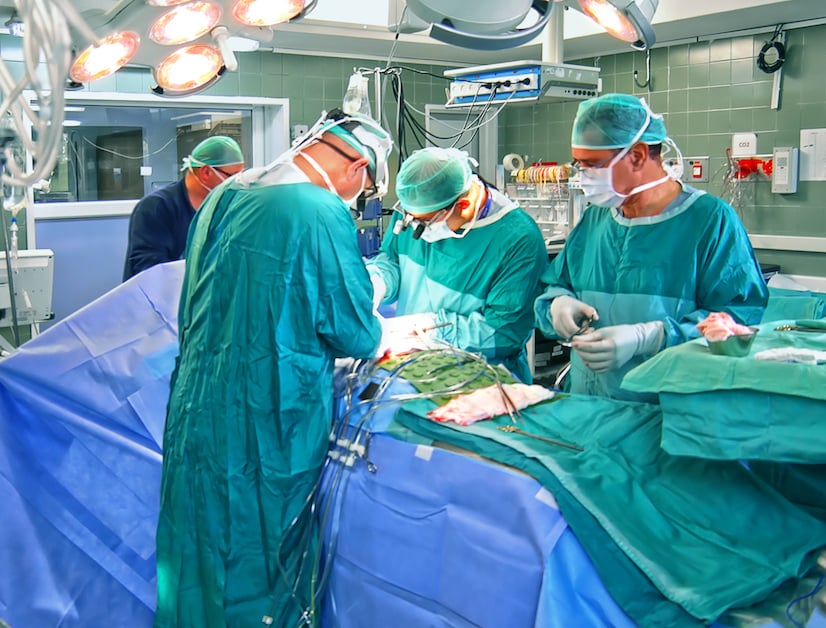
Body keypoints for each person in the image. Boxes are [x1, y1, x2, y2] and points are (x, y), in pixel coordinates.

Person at [154, 110, 392, 627]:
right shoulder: (316, 208)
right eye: (365, 187)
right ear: (356, 168)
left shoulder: (224, 195)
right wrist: (375, 305)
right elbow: (353, 331)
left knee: (195, 542)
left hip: (197, 410)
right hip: (268, 420)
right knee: (257, 558)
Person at [535, 93, 768, 402]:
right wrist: (557, 305)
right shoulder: (596, 220)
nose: (583, 176)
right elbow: (556, 284)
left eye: (592, 165)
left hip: (667, 413)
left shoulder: (709, 221)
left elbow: (737, 319)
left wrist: (651, 337)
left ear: (638, 155)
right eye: (578, 164)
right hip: (588, 404)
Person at [367, 146, 548, 382]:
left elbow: (503, 333)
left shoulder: (518, 240)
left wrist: (430, 329)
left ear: (462, 207)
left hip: (481, 380)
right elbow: (391, 259)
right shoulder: (418, 208)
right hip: (412, 367)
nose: (410, 225)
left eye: (421, 223)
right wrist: (375, 282)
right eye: (407, 217)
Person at [123, 135, 245, 280]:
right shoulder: (157, 207)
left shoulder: (225, 206)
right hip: (166, 297)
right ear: (206, 172)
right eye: (233, 175)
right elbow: (150, 271)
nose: (238, 182)